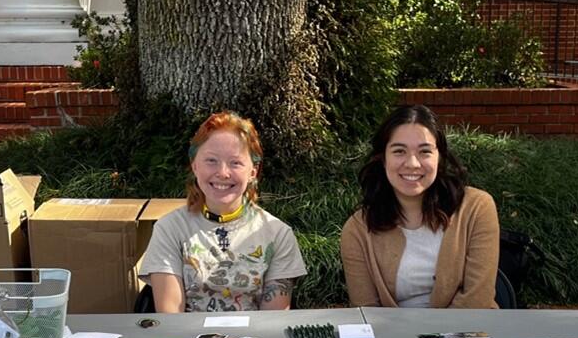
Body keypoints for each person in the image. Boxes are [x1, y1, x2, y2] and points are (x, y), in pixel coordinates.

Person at [138, 112, 306, 312]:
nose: (223, 173)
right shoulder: (169, 229)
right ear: (194, 166)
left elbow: (273, 322)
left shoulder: (278, 235)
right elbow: (170, 317)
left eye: (235, 163)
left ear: (252, 171)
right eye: (211, 160)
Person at [340, 105, 499, 309]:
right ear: (382, 158)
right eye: (399, 151)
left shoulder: (476, 207)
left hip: (468, 333)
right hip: (393, 337)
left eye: (424, 151)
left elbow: (477, 300)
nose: (413, 163)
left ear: (439, 156)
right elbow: (366, 313)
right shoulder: (358, 230)